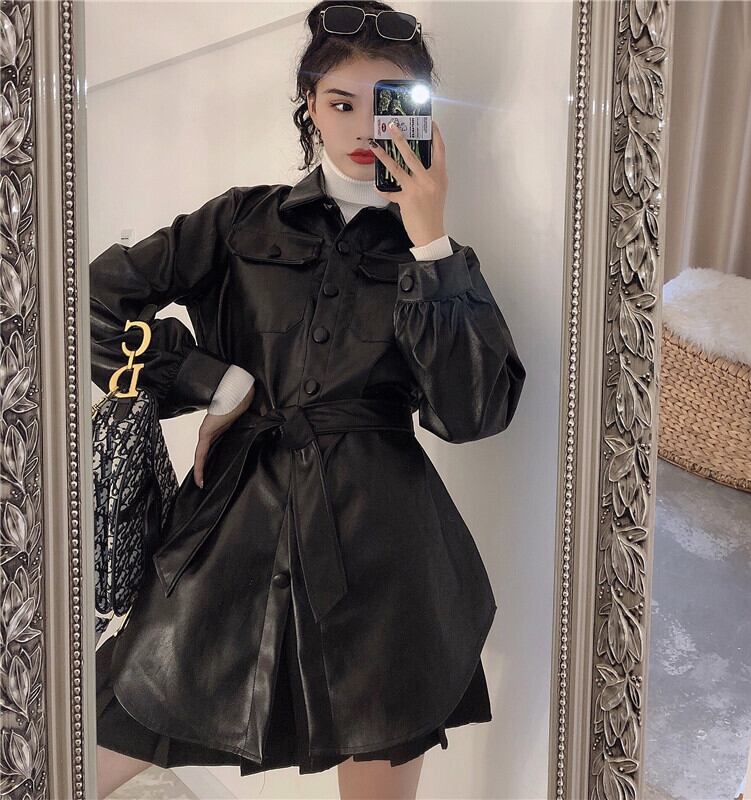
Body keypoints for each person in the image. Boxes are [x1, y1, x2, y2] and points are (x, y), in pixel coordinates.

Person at [91, 2, 526, 798]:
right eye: (340, 102)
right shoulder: (240, 221)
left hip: (385, 559)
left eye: (386, 106)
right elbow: (89, 300)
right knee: (87, 739)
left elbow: (474, 413)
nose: (362, 127)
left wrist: (429, 237)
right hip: (227, 532)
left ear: (421, 115)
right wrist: (216, 382)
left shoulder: (437, 258)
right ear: (310, 106)